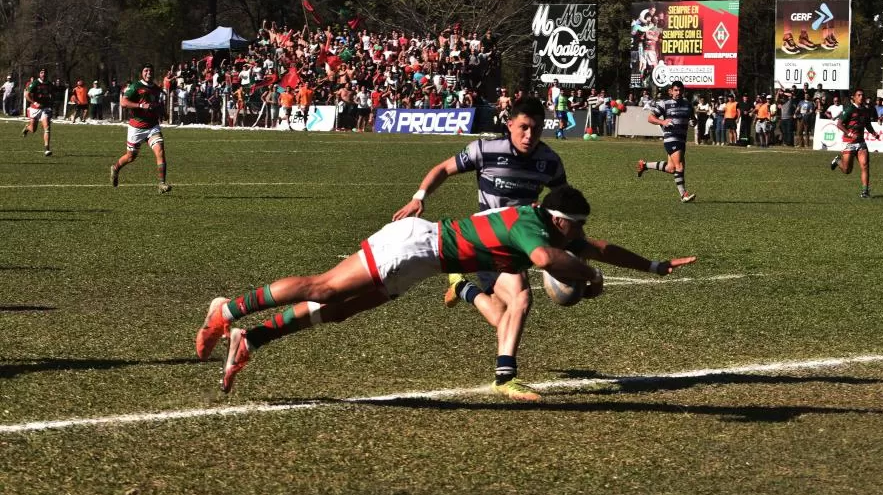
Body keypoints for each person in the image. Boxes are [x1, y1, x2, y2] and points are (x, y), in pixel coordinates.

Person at [196, 185, 697, 396]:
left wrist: (653, 265)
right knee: (325, 289)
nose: (578, 237)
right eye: (575, 229)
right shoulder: (532, 228)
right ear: (561, 221)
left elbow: (600, 248)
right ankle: (228, 309)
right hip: (413, 247)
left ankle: (253, 339)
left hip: (423, 263)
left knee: (339, 311)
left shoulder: (551, 230)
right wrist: (586, 279)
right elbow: (550, 261)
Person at [390, 96, 566, 401]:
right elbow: (444, 168)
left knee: (503, 319)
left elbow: (563, 201)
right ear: (509, 123)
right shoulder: (485, 149)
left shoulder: (550, 161)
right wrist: (419, 197)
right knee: (522, 297)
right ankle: (505, 377)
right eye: (523, 127)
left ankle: (461, 288)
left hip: (517, 247)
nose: (529, 135)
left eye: (536, 129)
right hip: (485, 240)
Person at [110, 64, 172, 193]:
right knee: (131, 157)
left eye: (151, 70)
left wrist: (162, 112)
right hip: (137, 128)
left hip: (152, 126)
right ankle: (115, 168)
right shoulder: (135, 86)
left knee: (160, 150)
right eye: (146, 70)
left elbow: (157, 104)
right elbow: (123, 102)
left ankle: (161, 183)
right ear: (142, 73)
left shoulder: (156, 88)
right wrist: (140, 105)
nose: (149, 72)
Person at [636, 80, 696, 202]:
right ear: (670, 91)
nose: (678, 93)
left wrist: (693, 122)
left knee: (671, 168)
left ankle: (645, 165)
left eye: (680, 90)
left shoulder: (687, 105)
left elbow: (693, 119)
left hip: (681, 139)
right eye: (676, 90)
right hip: (670, 138)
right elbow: (650, 117)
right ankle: (683, 195)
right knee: (680, 166)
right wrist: (662, 122)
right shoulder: (665, 103)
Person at [829, 87, 877, 198]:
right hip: (849, 142)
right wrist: (850, 134)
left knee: (865, 165)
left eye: (862, 95)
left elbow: (867, 125)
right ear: (854, 98)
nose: (861, 97)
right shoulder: (849, 109)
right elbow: (839, 124)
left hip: (861, 142)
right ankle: (837, 161)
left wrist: (874, 133)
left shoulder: (865, 110)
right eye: (859, 95)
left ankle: (865, 191)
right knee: (847, 170)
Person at [22, 68, 54, 156]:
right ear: (39, 74)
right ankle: (27, 128)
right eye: (42, 72)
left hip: (45, 108)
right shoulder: (35, 83)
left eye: (45, 72)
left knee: (47, 127)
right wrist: (34, 102)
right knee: (33, 129)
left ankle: (47, 149)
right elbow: (26, 95)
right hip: (34, 109)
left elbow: (52, 93)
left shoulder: (50, 84)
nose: (44, 74)